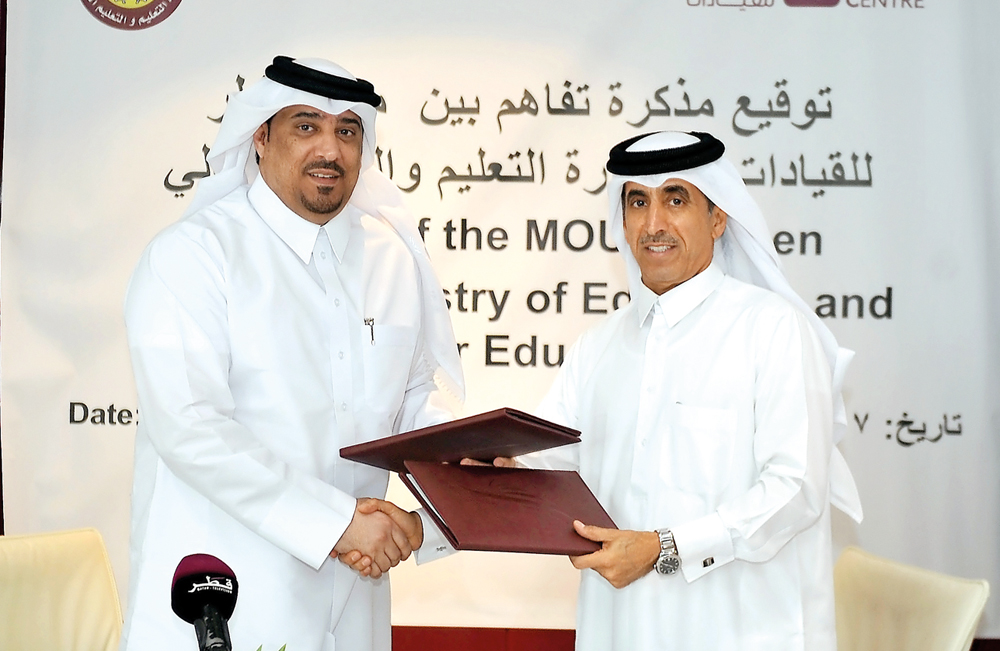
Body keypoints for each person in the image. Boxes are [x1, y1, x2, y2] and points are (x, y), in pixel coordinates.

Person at [120, 56, 461, 651]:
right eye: (306, 126)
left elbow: (411, 403)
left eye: (347, 131)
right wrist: (338, 524)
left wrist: (469, 460)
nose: (329, 150)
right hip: (224, 593)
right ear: (260, 136)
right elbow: (191, 427)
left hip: (354, 596)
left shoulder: (391, 257)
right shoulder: (193, 255)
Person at [514, 131, 864, 650]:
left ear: (718, 218)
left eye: (676, 199)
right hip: (623, 629)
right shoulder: (599, 346)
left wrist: (664, 549)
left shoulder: (774, 329)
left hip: (745, 632)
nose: (654, 224)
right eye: (638, 202)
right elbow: (550, 466)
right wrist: (488, 478)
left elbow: (795, 490)